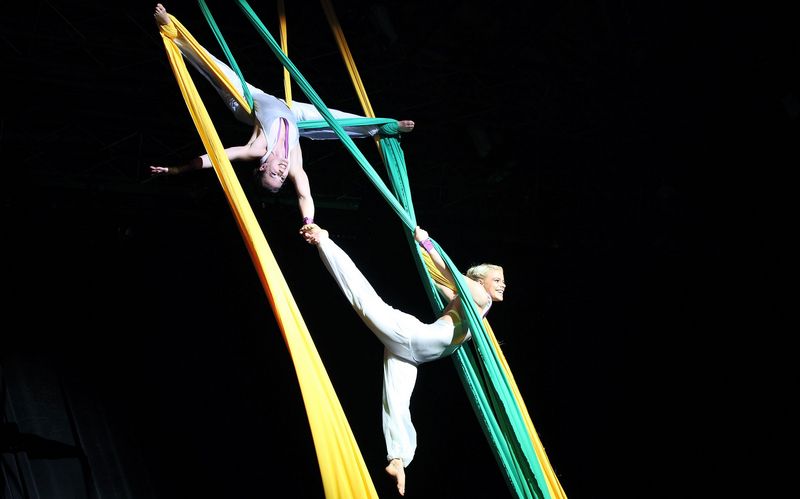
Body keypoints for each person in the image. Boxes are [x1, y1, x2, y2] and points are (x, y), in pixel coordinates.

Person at [151, 4, 414, 228]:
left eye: (273, 175)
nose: (281, 172)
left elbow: (216, 158)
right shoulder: (295, 166)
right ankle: (383, 127)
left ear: (262, 167)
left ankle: (172, 31)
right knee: (335, 121)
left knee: (217, 71)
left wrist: (177, 169)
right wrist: (308, 222)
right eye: (281, 178)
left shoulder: (257, 150)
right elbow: (304, 196)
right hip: (293, 115)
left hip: (249, 105)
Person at [300, 223, 505, 496]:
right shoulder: (479, 295)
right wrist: (426, 244)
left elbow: (443, 284)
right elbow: (450, 273)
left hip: (411, 354)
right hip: (412, 337)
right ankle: (324, 240)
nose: (503, 284)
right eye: (497, 280)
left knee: (396, 403)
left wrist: (424, 259)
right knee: (363, 298)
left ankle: (397, 459)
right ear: (480, 282)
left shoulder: (470, 301)